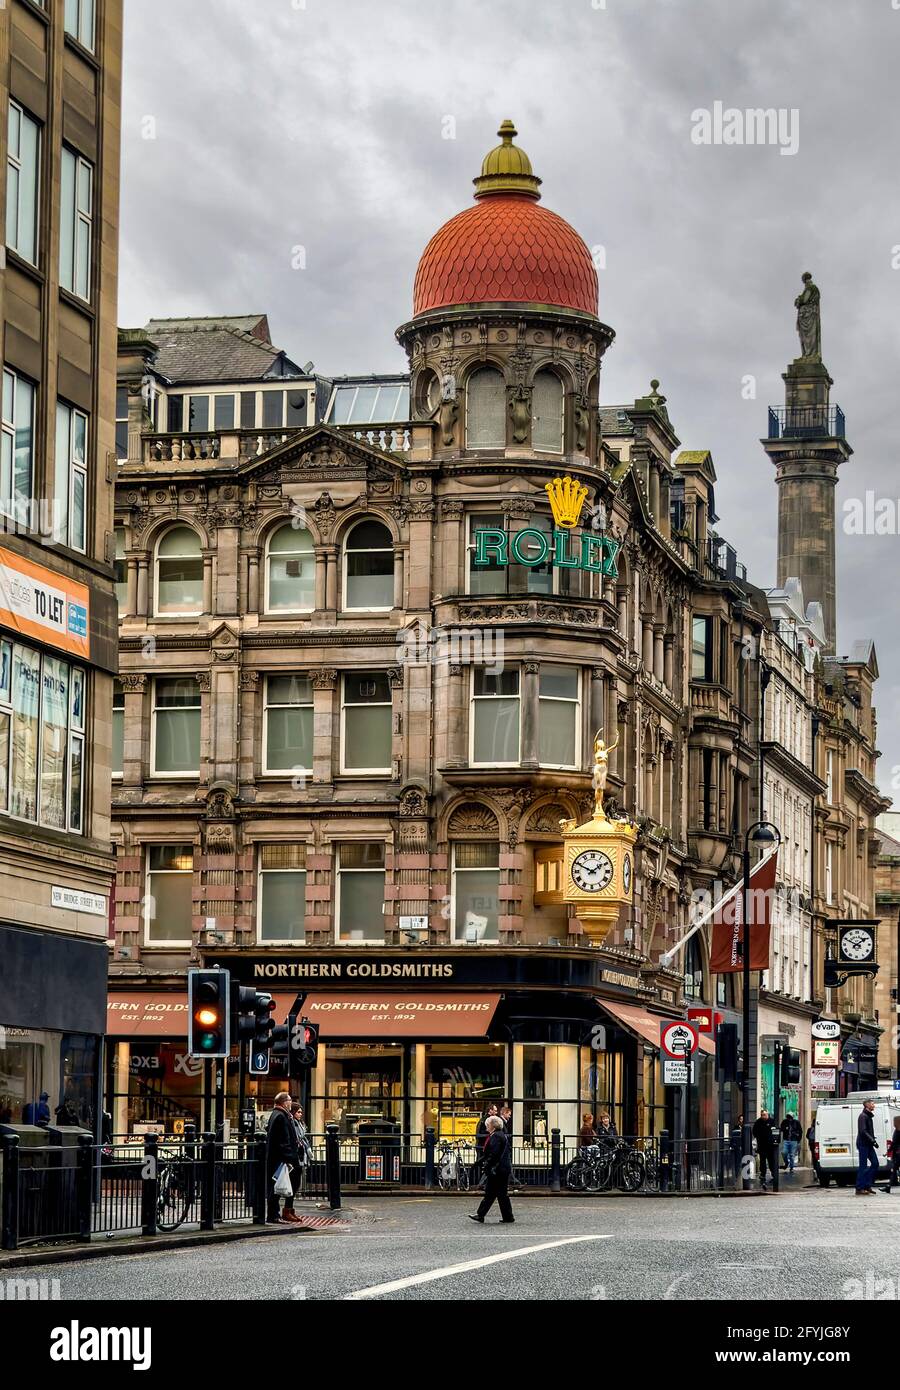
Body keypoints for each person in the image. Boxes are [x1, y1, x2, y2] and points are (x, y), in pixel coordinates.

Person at [468, 1116, 514, 1225]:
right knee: (501, 1194)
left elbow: (494, 1154)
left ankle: (481, 1215)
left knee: (490, 1193)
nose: (486, 1127)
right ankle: (508, 1216)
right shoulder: (499, 1135)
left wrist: (487, 1165)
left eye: (488, 1125)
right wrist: (479, 1162)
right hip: (502, 1169)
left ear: (493, 1125)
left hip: (497, 1170)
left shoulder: (496, 1136)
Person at [266, 1091, 302, 1224]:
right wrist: (289, 1158)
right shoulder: (280, 1116)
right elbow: (283, 1139)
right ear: (284, 1102)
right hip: (281, 1159)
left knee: (277, 1186)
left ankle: (279, 1213)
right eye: (289, 1100)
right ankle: (273, 1215)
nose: (290, 1103)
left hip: (279, 1157)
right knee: (276, 1187)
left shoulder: (278, 1114)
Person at [290, 1101, 313, 1206]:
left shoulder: (300, 1123)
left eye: (301, 1112)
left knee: (296, 1180)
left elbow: (302, 1137)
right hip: (296, 1156)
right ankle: (288, 1206)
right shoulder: (292, 1123)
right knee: (294, 1181)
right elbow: (296, 1137)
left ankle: (289, 1207)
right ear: (293, 1112)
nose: (300, 1114)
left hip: (301, 1155)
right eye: (298, 1112)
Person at [856, 1099, 880, 1196]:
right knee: (863, 1166)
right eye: (873, 1103)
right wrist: (873, 1141)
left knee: (875, 1163)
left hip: (868, 1144)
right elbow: (863, 1131)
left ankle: (867, 1185)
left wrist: (872, 1141)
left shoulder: (868, 1116)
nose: (874, 1105)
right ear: (867, 1105)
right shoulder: (863, 1116)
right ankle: (859, 1187)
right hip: (863, 1144)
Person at [752, 1109, 776, 1190]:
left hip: (770, 1146)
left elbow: (775, 1131)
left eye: (764, 1115)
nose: (763, 1116)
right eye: (762, 1115)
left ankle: (773, 1173)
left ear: (767, 1115)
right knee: (762, 1161)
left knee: (771, 1161)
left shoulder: (772, 1121)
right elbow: (754, 1131)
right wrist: (758, 1138)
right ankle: (763, 1175)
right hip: (762, 1145)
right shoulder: (758, 1122)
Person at [883, 1116, 900, 1193]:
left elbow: (894, 1143)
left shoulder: (897, 1131)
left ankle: (888, 1186)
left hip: (898, 1154)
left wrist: (888, 1151)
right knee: (894, 1170)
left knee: (894, 1170)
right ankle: (888, 1186)